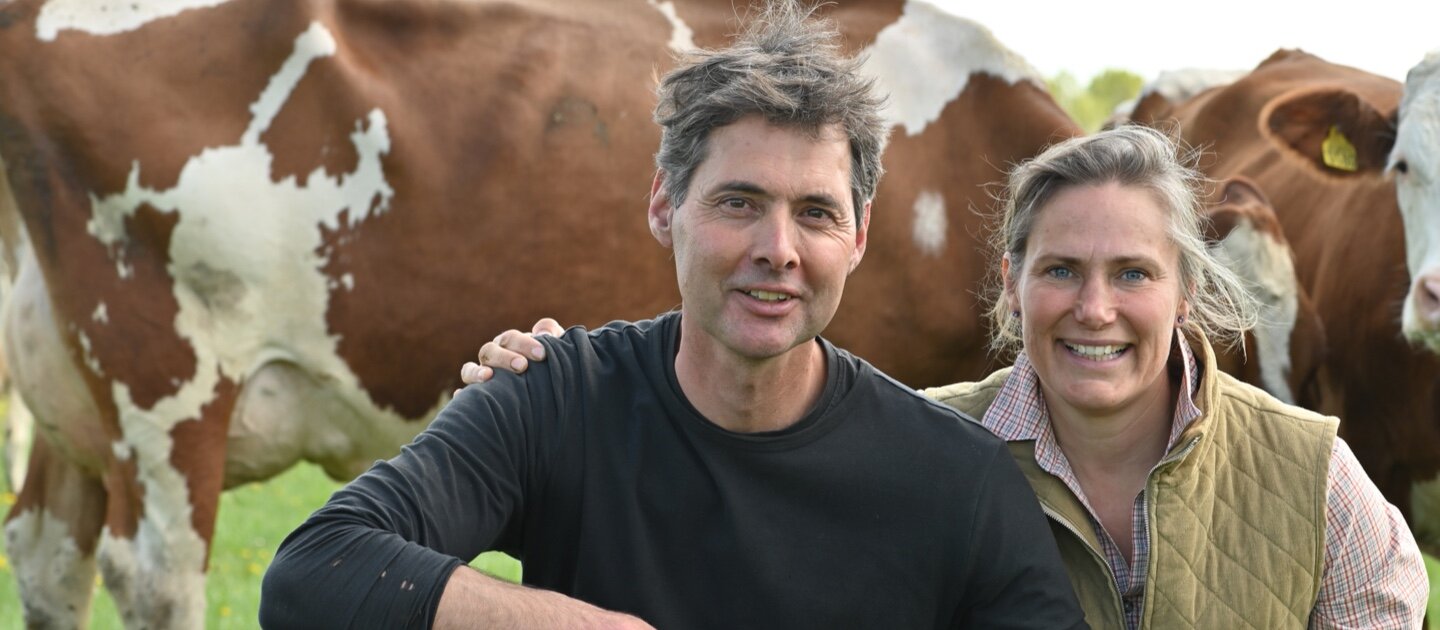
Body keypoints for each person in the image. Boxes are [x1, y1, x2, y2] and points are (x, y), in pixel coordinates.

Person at [259, 2, 1087, 628]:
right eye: (739, 201)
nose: (778, 248)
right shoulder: (556, 398)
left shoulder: (956, 478)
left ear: (859, 237)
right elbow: (313, 571)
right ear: (665, 206)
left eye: (816, 213)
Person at [465, 125, 1430, 628]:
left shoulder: (1317, 483)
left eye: (1133, 273)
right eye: (1059, 270)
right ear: (1011, 286)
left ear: (1184, 293)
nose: (1094, 309)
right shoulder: (913, 453)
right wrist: (563, 389)